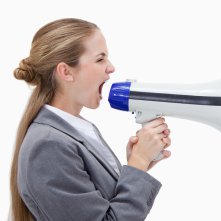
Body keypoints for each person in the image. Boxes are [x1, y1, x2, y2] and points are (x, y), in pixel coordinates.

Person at [10, 18, 172, 221]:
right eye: (100, 59)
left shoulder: (77, 130)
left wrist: (138, 164)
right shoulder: (48, 144)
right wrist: (138, 162)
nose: (111, 67)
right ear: (65, 72)